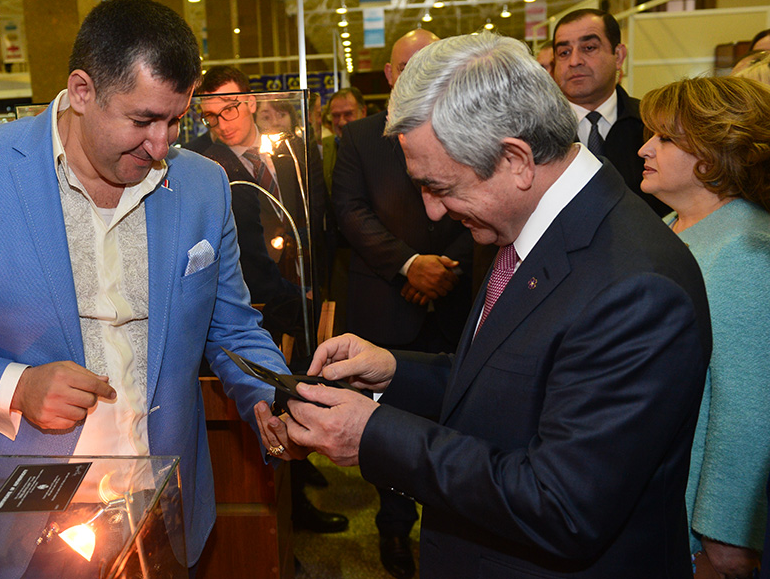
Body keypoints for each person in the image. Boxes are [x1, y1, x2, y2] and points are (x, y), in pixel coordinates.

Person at [0, 0, 289, 578]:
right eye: (142, 120)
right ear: (82, 91)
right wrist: (16, 387)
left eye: (175, 120)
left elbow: (232, 327)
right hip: (17, 517)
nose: (161, 146)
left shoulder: (203, 184)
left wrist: (270, 397)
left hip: (162, 503)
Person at [255, 32, 712, 578]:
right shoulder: (539, 229)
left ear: (516, 159)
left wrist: (372, 435)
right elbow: (511, 382)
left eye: (440, 186)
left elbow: (560, 504)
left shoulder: (636, 288)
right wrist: (394, 372)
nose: (433, 210)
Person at [331, 28, 473, 579]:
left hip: (456, 300)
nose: (421, 73)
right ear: (390, 75)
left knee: (458, 419)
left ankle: (450, 526)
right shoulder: (361, 137)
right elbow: (350, 212)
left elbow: (484, 200)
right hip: (386, 303)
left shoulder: (468, 127)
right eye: (409, 65)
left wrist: (445, 267)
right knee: (383, 422)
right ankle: (393, 527)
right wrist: (411, 265)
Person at [196, 66, 346, 534]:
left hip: (302, 293)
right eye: (210, 116)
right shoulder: (202, 163)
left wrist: (315, 287)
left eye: (229, 109)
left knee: (305, 384)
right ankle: (293, 506)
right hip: (252, 305)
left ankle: (305, 467)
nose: (221, 123)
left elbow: (317, 219)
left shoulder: (292, 150)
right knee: (275, 399)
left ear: (252, 101)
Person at [638, 76, 770, 579]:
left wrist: (727, 537)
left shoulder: (747, 249)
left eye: (665, 138)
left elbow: (748, 409)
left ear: (713, 155)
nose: (645, 148)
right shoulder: (668, 227)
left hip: (695, 528)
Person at [552, 8, 668, 215]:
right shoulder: (535, 133)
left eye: (589, 48)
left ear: (618, 56)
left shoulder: (655, 126)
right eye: (564, 53)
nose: (574, 61)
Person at [322, 87, 366, 192]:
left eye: (348, 114)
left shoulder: (377, 145)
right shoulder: (322, 147)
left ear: (363, 112)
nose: (342, 122)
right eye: (336, 115)